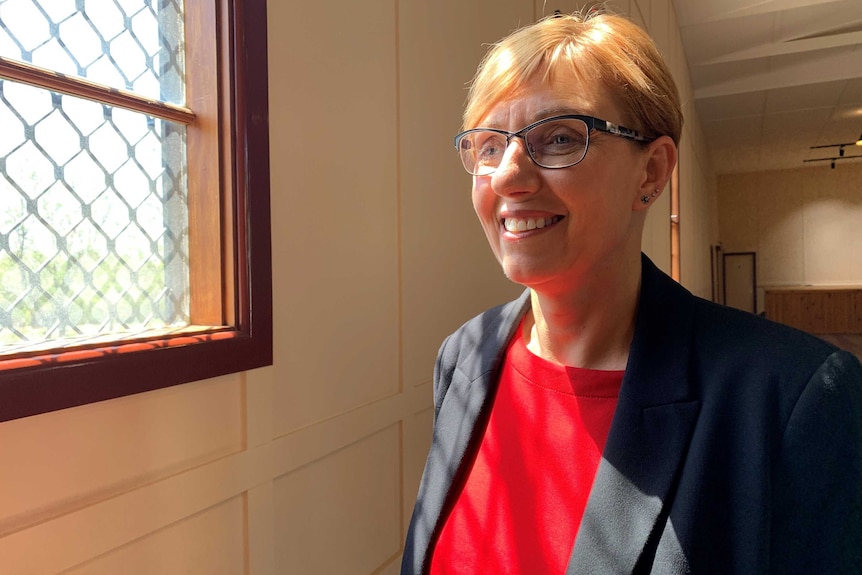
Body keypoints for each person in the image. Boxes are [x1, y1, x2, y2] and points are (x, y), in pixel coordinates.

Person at [402, 10, 862, 575]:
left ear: (651, 172)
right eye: (489, 146)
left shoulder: (791, 399)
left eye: (561, 138)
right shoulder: (464, 357)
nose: (506, 177)